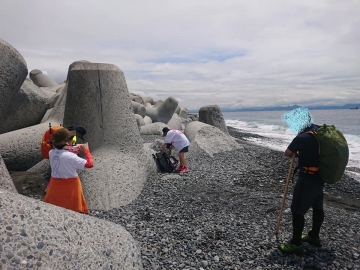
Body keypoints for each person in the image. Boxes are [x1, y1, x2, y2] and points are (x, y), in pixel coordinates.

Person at [279, 108, 324, 254]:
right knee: (317, 207)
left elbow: (288, 153)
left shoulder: (302, 137)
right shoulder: (318, 130)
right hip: (320, 176)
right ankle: (314, 236)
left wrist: (298, 153)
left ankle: (296, 243)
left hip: (307, 178)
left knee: (297, 210)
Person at [43, 127, 94, 214]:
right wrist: (86, 150)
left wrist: (73, 149)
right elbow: (90, 164)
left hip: (55, 184)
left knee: (54, 209)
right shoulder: (71, 157)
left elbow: (62, 153)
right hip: (71, 185)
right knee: (74, 209)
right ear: (67, 142)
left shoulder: (51, 153)